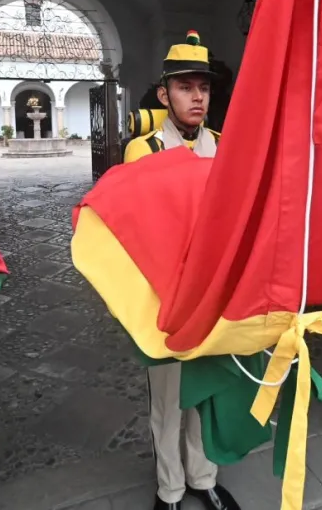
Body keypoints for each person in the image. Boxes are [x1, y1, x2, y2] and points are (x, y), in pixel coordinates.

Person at [122, 31, 240, 510]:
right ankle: (169, 489)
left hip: (213, 292)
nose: (197, 97)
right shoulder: (143, 149)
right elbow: (138, 226)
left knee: (208, 390)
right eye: (187, 87)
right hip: (166, 293)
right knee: (168, 400)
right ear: (163, 93)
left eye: (204, 88)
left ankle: (204, 478)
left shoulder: (225, 146)